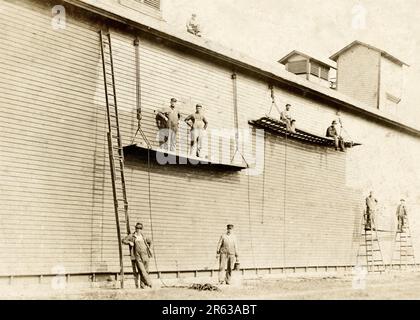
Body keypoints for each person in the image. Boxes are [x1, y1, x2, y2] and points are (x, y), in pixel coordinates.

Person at [122, 222, 153, 289]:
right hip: (137, 255)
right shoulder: (132, 236)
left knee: (146, 270)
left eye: (140, 228)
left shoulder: (144, 236)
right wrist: (129, 242)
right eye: (137, 228)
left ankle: (143, 286)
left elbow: (150, 241)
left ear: (142, 229)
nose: (138, 229)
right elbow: (123, 240)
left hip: (145, 255)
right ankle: (149, 283)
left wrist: (150, 248)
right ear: (135, 228)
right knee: (142, 270)